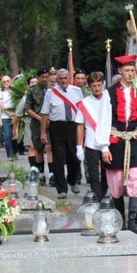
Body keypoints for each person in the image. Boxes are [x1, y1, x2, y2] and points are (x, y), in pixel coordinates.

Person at [96, 55, 137, 234]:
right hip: (116, 140)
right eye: (126, 71)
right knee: (116, 182)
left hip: (134, 139)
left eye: (132, 71)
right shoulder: (109, 93)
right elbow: (103, 120)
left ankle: (133, 222)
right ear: (119, 71)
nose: (129, 74)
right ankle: (120, 220)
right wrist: (104, 147)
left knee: (136, 178)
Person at [40, 68, 84, 199]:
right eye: (61, 78)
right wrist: (43, 132)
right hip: (56, 127)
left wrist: (84, 129)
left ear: (70, 78)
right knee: (58, 158)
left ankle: (72, 180)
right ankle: (61, 189)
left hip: (73, 126)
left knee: (74, 157)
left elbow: (82, 110)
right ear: (56, 79)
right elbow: (45, 113)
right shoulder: (50, 92)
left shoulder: (77, 91)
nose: (63, 81)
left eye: (65, 78)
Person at [79, 71, 109, 199]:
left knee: (107, 173)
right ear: (89, 87)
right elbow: (79, 125)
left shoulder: (109, 99)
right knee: (93, 174)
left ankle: (102, 195)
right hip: (91, 142)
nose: (97, 88)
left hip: (107, 142)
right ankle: (99, 199)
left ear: (102, 84)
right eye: (94, 86)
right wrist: (78, 146)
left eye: (99, 85)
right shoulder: (85, 102)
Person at [24, 67, 51, 185]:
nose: (45, 79)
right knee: (39, 148)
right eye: (42, 77)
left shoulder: (52, 90)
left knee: (50, 147)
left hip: (51, 122)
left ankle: (52, 173)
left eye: (47, 77)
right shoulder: (32, 90)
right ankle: (40, 174)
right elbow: (27, 108)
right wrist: (40, 118)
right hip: (37, 122)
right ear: (38, 77)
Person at [0, 75, 16, 160]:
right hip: (5, 117)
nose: (6, 83)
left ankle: (15, 153)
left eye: (8, 81)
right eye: (4, 81)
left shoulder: (15, 92)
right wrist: (10, 114)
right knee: (7, 136)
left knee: (15, 136)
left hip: (16, 116)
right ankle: (9, 154)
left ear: (11, 81)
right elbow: (1, 105)